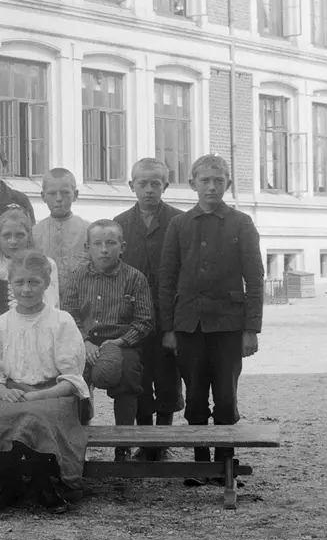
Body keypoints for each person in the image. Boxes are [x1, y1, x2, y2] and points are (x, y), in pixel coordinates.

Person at [158, 154, 263, 486]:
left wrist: (251, 329)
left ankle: (225, 465)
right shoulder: (179, 225)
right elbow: (166, 279)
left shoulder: (241, 224)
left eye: (219, 180)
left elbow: (256, 279)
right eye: (205, 180)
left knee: (227, 398)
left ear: (228, 184)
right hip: (189, 327)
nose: (212, 186)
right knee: (196, 397)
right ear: (192, 184)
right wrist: (170, 329)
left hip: (229, 327)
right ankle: (200, 465)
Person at [0, 250, 89, 514]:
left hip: (54, 393)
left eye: (34, 282)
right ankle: (9, 483)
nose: (26, 290)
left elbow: (72, 378)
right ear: (10, 284)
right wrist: (2, 391)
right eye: (20, 283)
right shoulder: (0, 324)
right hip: (13, 392)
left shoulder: (61, 321)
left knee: (36, 416)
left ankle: (44, 483)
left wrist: (38, 395)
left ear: (46, 283)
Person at [62, 220, 155, 460]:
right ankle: (76, 441)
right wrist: (84, 342)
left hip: (121, 342)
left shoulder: (135, 278)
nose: (104, 249)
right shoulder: (76, 277)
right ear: (87, 247)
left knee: (128, 377)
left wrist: (121, 342)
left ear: (122, 247)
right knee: (73, 380)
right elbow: (69, 315)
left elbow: (144, 321)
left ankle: (122, 444)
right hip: (86, 342)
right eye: (98, 244)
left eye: (111, 243)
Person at [115, 158, 185, 450]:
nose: (148, 190)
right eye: (142, 184)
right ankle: (145, 440)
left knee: (168, 374)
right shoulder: (119, 224)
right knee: (139, 375)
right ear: (132, 186)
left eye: (155, 183)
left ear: (165, 186)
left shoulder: (180, 222)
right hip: (134, 316)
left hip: (168, 313)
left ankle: (163, 439)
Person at [0, 208, 60, 317]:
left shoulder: (47, 263)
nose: (13, 241)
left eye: (19, 235)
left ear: (29, 237)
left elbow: (50, 307)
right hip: (0, 330)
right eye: (7, 235)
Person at [32, 168, 89, 280]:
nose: (58, 199)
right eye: (52, 193)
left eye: (65, 193)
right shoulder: (34, 233)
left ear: (75, 195)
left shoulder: (88, 230)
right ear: (43, 196)